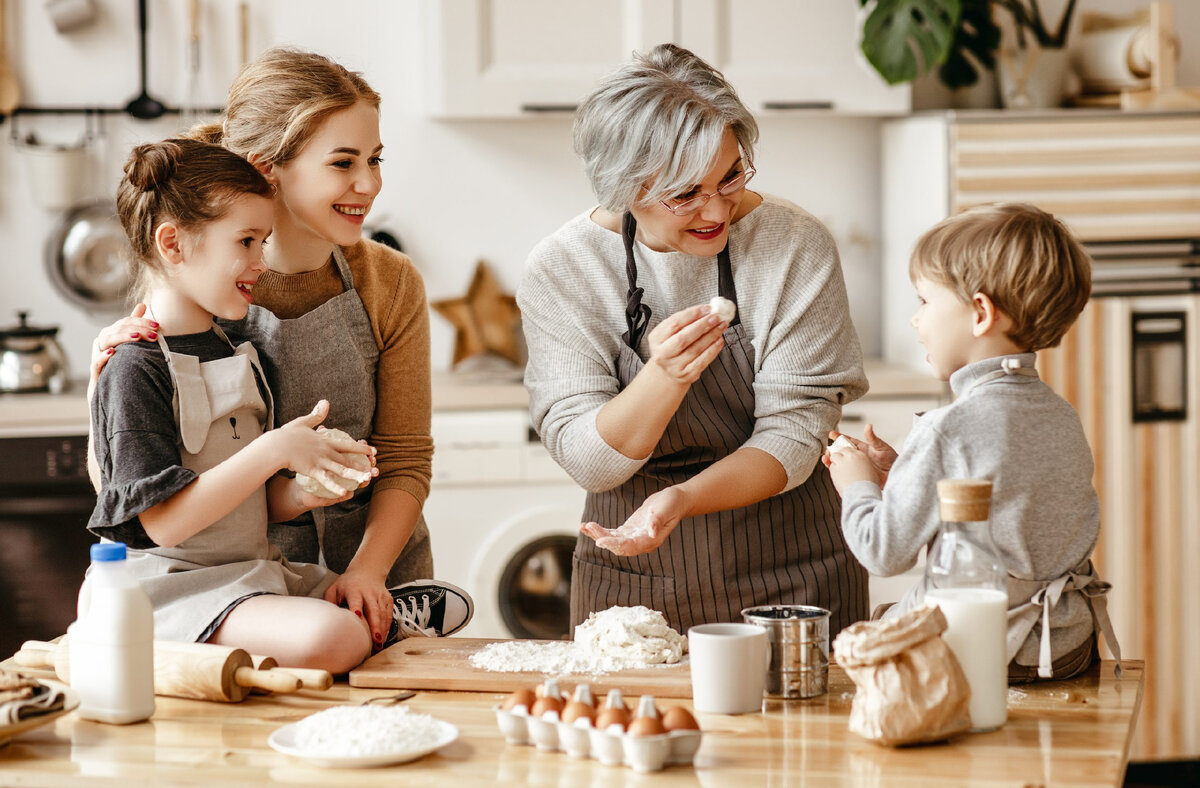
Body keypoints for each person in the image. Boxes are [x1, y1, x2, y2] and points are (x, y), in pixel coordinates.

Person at [90, 48, 471, 649]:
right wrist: (100, 381)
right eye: (343, 162)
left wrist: (366, 573)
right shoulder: (211, 285)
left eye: (374, 160)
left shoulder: (390, 282)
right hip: (238, 586)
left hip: (372, 586)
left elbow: (406, 459)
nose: (369, 184)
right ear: (266, 168)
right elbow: (135, 493)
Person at [517, 43, 869, 637]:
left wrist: (681, 500)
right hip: (635, 573)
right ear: (624, 188)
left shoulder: (793, 244)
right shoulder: (564, 268)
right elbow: (587, 459)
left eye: (730, 176)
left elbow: (794, 430)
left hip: (796, 571)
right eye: (684, 193)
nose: (716, 210)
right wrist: (664, 377)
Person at [90, 137, 385, 672]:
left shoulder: (238, 351)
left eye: (264, 240)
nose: (261, 262)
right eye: (247, 241)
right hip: (172, 591)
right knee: (337, 637)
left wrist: (306, 489)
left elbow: (249, 506)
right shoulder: (135, 366)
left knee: (357, 609)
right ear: (173, 244)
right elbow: (164, 525)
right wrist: (275, 448)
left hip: (252, 575)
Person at [825, 202, 1121, 682]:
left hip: (987, 647)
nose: (916, 320)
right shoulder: (1059, 415)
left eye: (924, 301)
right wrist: (901, 471)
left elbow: (883, 551)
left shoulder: (949, 427)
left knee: (868, 637)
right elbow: (998, 501)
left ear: (981, 313)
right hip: (1066, 643)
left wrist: (856, 483)